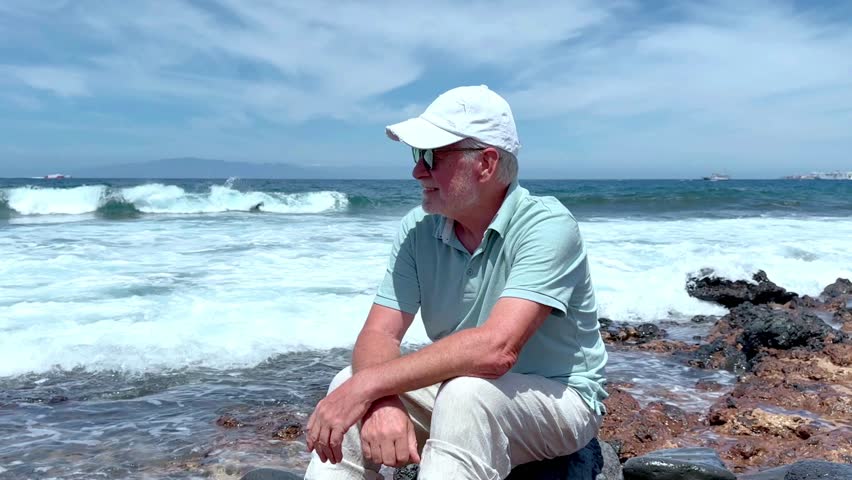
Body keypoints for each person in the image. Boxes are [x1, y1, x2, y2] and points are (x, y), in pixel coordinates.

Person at [304, 85, 608, 480]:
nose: (417, 170)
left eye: (432, 156)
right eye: (417, 155)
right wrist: (381, 403)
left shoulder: (547, 226)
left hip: (560, 397)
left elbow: (497, 349)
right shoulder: (418, 230)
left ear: (485, 163)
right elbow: (380, 333)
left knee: (462, 396)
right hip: (461, 386)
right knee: (346, 383)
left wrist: (370, 387)